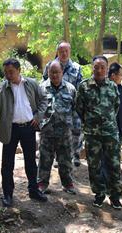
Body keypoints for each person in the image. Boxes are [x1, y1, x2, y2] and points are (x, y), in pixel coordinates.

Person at [0, 58, 48, 208]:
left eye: (11, 72)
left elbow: (44, 99)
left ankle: (34, 190)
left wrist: (38, 116)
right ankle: (8, 194)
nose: (8, 75)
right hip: (10, 129)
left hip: (28, 127)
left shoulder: (32, 84)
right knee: (7, 164)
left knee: (31, 162)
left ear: (19, 70)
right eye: (6, 72)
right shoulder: (1, 88)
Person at [75, 55, 122, 209]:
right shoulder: (84, 86)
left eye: (102, 67)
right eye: (96, 67)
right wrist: (90, 122)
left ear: (107, 69)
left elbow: (116, 107)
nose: (99, 70)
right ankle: (99, 194)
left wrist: (107, 122)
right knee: (94, 165)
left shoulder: (113, 86)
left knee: (113, 164)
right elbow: (79, 108)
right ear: (92, 68)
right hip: (92, 134)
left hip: (110, 133)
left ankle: (115, 196)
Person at [37, 60, 77, 194]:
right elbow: (35, 108)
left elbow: (75, 109)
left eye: (57, 72)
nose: (54, 75)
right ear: (48, 73)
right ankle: (42, 183)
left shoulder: (70, 89)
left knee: (66, 160)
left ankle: (68, 183)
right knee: (44, 159)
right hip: (46, 132)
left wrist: (76, 130)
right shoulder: (41, 88)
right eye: (52, 72)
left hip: (65, 133)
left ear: (62, 72)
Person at [42, 42, 84, 166]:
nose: (64, 53)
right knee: (53, 129)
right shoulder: (50, 65)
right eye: (61, 51)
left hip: (71, 101)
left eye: (66, 51)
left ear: (70, 52)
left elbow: (80, 86)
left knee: (76, 129)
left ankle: (75, 155)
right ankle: (57, 157)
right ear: (57, 52)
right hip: (53, 102)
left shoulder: (76, 67)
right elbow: (44, 82)